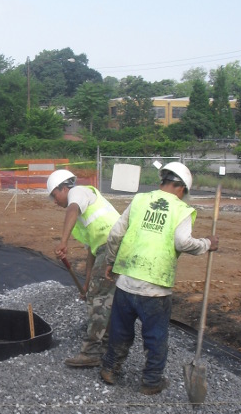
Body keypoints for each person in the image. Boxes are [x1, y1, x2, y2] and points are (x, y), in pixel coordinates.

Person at [101, 162, 218, 395]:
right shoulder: (181, 209)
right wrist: (206, 244)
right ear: (182, 189)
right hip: (155, 288)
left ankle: (110, 369)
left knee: (119, 329)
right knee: (155, 336)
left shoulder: (139, 200)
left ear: (162, 181)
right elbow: (183, 242)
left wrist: (111, 262)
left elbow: (115, 234)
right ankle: (151, 382)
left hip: (126, 281)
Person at [47, 169, 121, 367]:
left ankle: (92, 352)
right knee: (104, 298)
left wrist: (63, 242)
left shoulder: (78, 192)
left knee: (99, 300)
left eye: (55, 195)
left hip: (113, 245)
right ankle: (107, 347)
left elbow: (72, 208)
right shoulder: (84, 215)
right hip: (112, 247)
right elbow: (92, 253)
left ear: (64, 187)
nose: (55, 201)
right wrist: (87, 284)